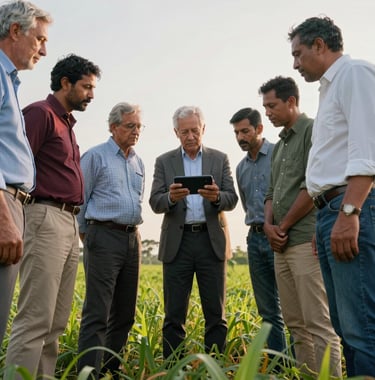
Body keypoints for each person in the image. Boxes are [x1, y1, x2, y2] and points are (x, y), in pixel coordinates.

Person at [5, 54, 101, 378]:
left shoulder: (67, 124)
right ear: (65, 83)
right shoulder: (40, 114)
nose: (91, 94)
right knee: (35, 318)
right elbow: (12, 166)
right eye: (86, 87)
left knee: (57, 322)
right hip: (43, 217)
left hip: (69, 222)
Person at [289, 16, 375, 376]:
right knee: (343, 324)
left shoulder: (354, 74)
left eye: (298, 53)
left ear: (320, 45)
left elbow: (367, 150)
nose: (294, 64)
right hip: (330, 214)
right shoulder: (329, 89)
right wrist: (323, 223)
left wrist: (349, 212)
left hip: (349, 207)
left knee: (361, 327)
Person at [259, 76, 342, 375]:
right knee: (295, 324)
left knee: (318, 324)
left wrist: (283, 227)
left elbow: (313, 186)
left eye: (272, 106)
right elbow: (271, 193)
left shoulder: (312, 131)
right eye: (265, 107)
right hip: (280, 245)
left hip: (305, 242)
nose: (267, 112)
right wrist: (269, 226)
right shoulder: (279, 146)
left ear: (291, 101)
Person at [149, 106, 238, 360]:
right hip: (179, 242)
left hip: (211, 242)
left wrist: (217, 196)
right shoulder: (164, 161)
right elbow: (155, 201)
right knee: (174, 313)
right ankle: (173, 369)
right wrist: (171, 198)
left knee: (215, 313)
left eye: (195, 130)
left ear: (203, 130)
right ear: (176, 132)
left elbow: (232, 199)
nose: (190, 136)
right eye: (185, 131)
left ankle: (215, 368)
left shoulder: (219, 158)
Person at [76, 102, 145, 379]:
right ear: (113, 127)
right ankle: (88, 374)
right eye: (130, 126)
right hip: (102, 236)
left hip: (132, 239)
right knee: (97, 313)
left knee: (125, 312)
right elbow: (80, 201)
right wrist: (89, 236)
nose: (136, 131)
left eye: (139, 126)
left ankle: (109, 370)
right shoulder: (95, 157)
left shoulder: (138, 161)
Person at [0, 0, 51, 347]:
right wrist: (3, 214)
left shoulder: (9, 81)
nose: (44, 50)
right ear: (15, 30)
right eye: (40, 39)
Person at [229, 108, 287, 356]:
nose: (240, 137)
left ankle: (302, 365)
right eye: (236, 133)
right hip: (254, 239)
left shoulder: (278, 153)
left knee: (293, 307)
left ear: (259, 129)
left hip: (282, 236)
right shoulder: (241, 167)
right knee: (267, 310)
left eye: (245, 131)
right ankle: (281, 365)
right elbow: (246, 204)